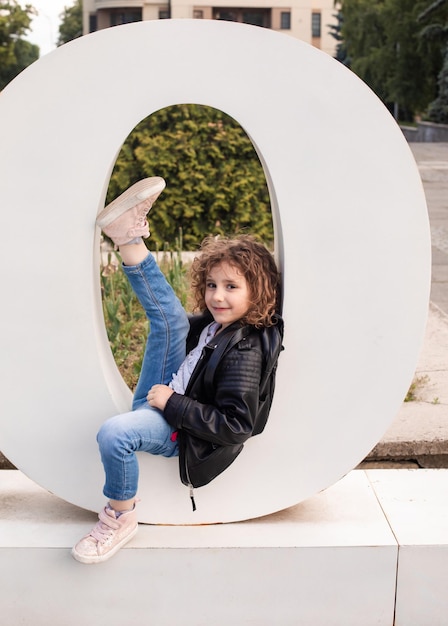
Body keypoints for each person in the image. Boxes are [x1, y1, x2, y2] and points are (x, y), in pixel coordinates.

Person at [72, 177, 283, 564]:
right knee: (170, 320)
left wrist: (173, 403)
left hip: (179, 429)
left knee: (115, 434)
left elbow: (236, 426)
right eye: (212, 284)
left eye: (232, 287)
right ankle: (127, 237)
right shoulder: (217, 327)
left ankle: (119, 518)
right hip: (164, 399)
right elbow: (173, 324)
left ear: (258, 291)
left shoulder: (246, 349)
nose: (217, 296)